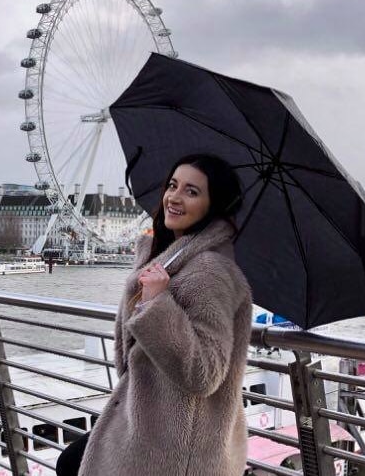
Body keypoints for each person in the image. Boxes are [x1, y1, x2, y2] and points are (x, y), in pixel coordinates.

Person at [56, 153, 253, 476]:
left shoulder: (210, 272)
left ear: (213, 205)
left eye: (192, 191)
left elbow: (204, 374)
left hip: (176, 443)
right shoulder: (170, 259)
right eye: (173, 185)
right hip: (148, 421)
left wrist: (158, 304)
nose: (174, 197)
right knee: (71, 461)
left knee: (73, 463)